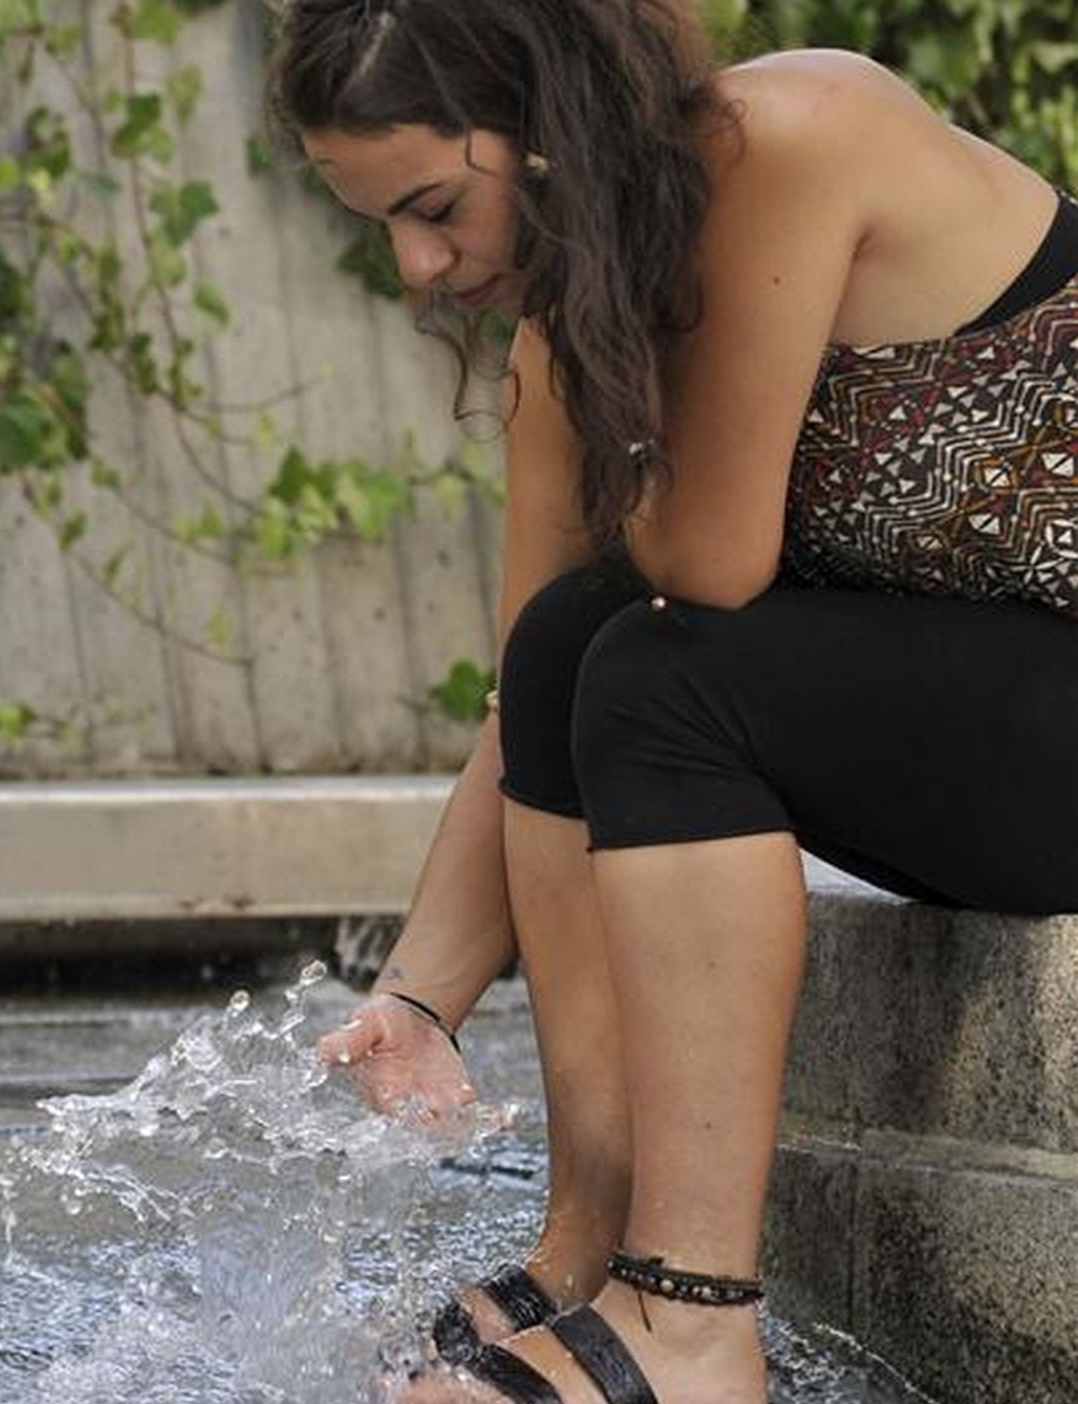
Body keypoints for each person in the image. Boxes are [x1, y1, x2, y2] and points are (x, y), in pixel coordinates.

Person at [271, 2, 1078, 1401]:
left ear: (545, 129)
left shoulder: (788, 136)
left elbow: (713, 561)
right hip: (998, 734)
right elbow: (535, 685)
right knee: (578, 641)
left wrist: (600, 377)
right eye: (382, 229)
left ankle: (693, 1326)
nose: (417, 265)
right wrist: (423, 992)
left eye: (433, 206)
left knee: (654, 664)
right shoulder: (564, 332)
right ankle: (588, 1250)